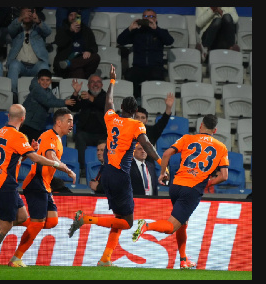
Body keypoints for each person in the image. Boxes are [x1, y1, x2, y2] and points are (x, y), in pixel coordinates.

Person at [68, 64, 165, 267]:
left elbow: (107, 103)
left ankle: (105, 258)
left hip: (108, 173)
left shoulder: (112, 119)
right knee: (127, 223)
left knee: (118, 217)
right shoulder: (136, 125)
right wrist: (161, 162)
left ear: (122, 109)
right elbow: (146, 144)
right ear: (136, 111)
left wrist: (112, 81)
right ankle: (85, 219)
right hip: (121, 175)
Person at [132, 114, 229, 269]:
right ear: (215, 130)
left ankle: (183, 260)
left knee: (182, 223)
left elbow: (166, 154)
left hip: (176, 186)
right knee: (171, 227)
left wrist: (163, 173)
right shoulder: (221, 147)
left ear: (201, 126)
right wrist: (208, 183)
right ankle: (146, 226)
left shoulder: (187, 138)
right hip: (192, 189)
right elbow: (224, 176)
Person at [0, 104, 70, 267]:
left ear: (8, 116)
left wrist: (29, 151)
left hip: (0, 181)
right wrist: (58, 165)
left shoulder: (1, 132)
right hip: (5, 184)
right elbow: (36, 158)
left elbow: (16, 158)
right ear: (23, 118)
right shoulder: (18, 137)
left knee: (21, 217)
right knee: (5, 225)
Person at [8, 108, 76, 267]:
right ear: (58, 122)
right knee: (38, 223)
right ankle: (16, 258)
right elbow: (50, 157)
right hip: (36, 182)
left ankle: (9, 222)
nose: (72, 124)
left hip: (44, 184)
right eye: (69, 121)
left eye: (72, 121)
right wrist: (68, 170)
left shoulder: (58, 138)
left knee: (51, 221)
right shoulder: (49, 136)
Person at [117, 9, 174, 100]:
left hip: (155, 66)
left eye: (151, 17)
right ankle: (136, 100)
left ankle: (154, 100)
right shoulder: (137, 33)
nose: (148, 19)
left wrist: (156, 29)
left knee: (157, 76)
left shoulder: (161, 32)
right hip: (139, 67)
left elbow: (170, 41)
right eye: (145, 16)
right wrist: (129, 29)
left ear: (156, 19)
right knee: (130, 75)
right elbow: (120, 41)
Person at [20, 69, 76, 143]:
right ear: (38, 80)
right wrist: (65, 102)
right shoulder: (36, 89)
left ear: (50, 81)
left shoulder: (48, 92)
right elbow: (48, 102)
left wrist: (74, 95)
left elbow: (54, 101)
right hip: (26, 124)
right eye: (42, 80)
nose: (45, 82)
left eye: (47, 80)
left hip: (37, 126)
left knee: (33, 149)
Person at [6, 7, 51, 98]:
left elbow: (48, 31)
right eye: (24, 14)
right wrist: (20, 18)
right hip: (21, 65)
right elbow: (10, 29)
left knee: (44, 67)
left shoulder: (38, 29)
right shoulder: (17, 29)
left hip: (36, 65)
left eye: (29, 14)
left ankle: (45, 96)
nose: (27, 16)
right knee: (14, 64)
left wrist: (38, 21)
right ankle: (13, 95)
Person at [67, 75, 107, 172]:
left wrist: (91, 98)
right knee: (79, 136)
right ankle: (82, 169)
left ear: (101, 85)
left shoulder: (106, 96)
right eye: (92, 82)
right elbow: (73, 107)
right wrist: (76, 93)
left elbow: (104, 105)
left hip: (103, 134)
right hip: (86, 134)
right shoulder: (84, 95)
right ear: (88, 85)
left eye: (98, 82)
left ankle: (106, 169)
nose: (95, 84)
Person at [53, 8, 100, 79]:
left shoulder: (87, 31)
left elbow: (94, 46)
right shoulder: (63, 29)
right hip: (65, 65)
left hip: (82, 61)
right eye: (71, 15)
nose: (73, 17)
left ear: (79, 17)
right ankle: (70, 64)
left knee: (96, 57)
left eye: (76, 15)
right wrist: (70, 31)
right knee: (79, 71)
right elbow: (60, 43)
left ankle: (69, 63)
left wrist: (89, 51)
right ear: (68, 17)